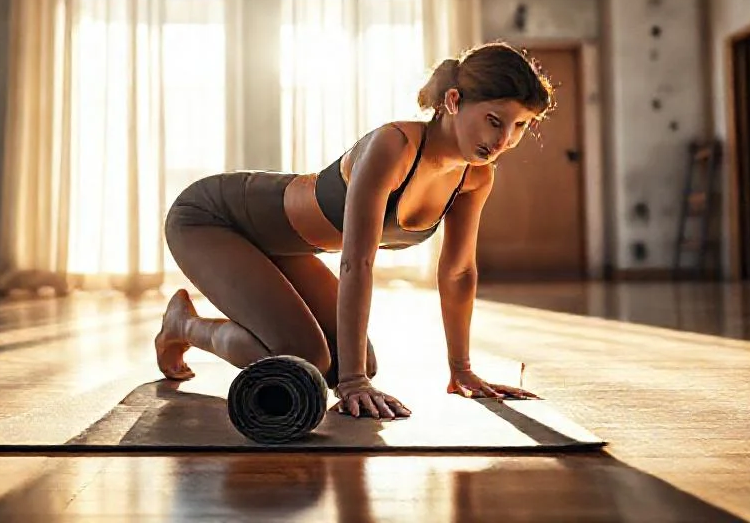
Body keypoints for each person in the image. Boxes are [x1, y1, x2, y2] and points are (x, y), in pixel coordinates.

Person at [155, 40, 556, 419]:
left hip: (280, 246)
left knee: (361, 363)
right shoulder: (394, 146)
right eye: (493, 121)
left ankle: (314, 356)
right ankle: (184, 325)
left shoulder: (474, 177)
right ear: (453, 102)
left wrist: (461, 369)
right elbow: (357, 263)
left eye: (520, 126)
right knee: (309, 361)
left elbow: (458, 272)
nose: (503, 140)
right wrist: (352, 382)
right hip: (211, 217)